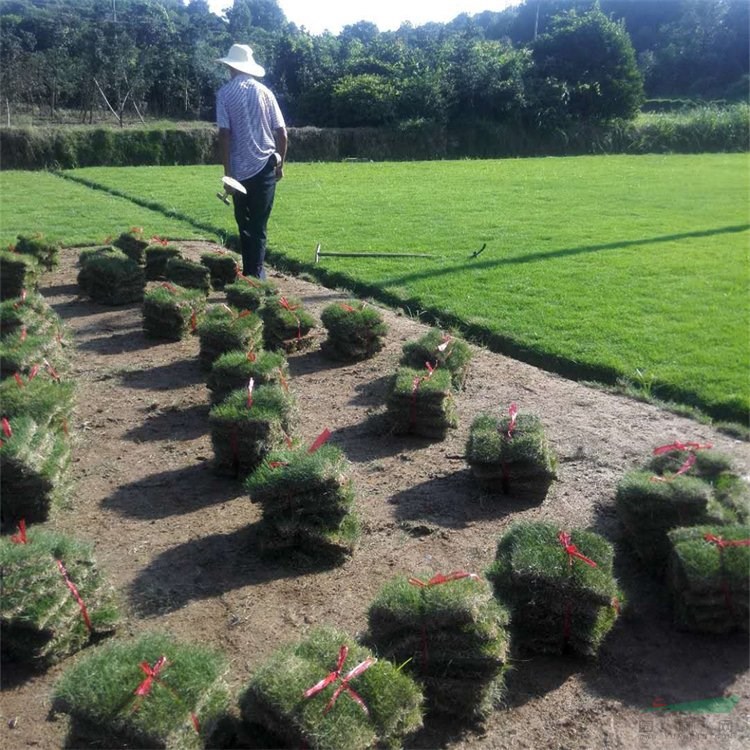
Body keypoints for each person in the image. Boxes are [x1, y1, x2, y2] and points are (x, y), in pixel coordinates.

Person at [216, 44, 287, 279]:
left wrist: (228, 174)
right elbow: (282, 133)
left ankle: (252, 275)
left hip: (239, 172)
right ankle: (255, 275)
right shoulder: (265, 93)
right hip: (265, 165)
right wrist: (280, 165)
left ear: (230, 67)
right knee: (259, 225)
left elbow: (224, 134)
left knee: (244, 224)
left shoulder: (225, 94)